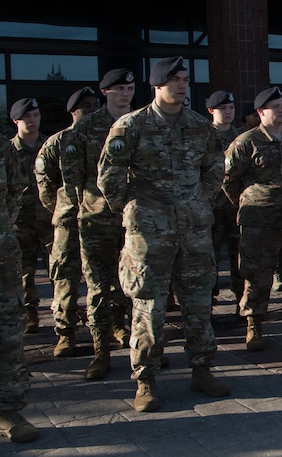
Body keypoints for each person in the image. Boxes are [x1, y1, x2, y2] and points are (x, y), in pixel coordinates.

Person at [98, 56, 230, 412]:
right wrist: (135, 210)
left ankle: (202, 369)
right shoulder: (131, 126)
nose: (183, 85)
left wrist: (198, 202)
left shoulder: (200, 126)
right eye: (175, 80)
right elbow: (109, 178)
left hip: (193, 232)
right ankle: (146, 380)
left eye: (186, 79)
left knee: (199, 304)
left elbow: (215, 170)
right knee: (148, 309)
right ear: (157, 85)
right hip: (149, 235)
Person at [63, 68, 136, 380]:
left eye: (129, 88)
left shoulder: (142, 124)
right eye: (119, 88)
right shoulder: (84, 129)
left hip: (133, 219)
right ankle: (100, 352)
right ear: (105, 92)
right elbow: (71, 179)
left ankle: (137, 346)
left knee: (135, 286)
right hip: (96, 219)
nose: (125, 94)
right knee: (97, 287)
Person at [222, 87, 282, 352]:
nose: (281, 110)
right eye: (275, 107)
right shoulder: (247, 141)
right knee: (257, 275)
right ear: (260, 112)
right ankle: (254, 325)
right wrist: (250, 201)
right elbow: (228, 180)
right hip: (259, 220)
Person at [35, 87, 100, 357]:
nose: (92, 110)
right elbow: (45, 184)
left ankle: (113, 326)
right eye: (86, 106)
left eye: (95, 104)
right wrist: (63, 207)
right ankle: (65, 333)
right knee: (65, 275)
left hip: (97, 219)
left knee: (102, 278)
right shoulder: (57, 142)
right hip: (67, 219)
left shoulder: (105, 138)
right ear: (73, 111)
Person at [0, 130, 37, 443]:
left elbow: (15, 189)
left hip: (2, 251)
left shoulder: (2, 147)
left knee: (8, 329)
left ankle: (7, 409)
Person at [9, 99, 52, 335]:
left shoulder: (49, 146)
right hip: (20, 221)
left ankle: (63, 314)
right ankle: (30, 314)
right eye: (27, 117)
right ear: (16, 121)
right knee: (24, 271)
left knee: (58, 268)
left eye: (36, 115)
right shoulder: (9, 151)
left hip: (48, 218)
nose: (33, 121)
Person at [206, 90, 242, 305]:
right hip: (210, 207)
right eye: (223, 109)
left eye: (231, 108)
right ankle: (208, 301)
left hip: (234, 206)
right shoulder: (203, 136)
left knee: (238, 256)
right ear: (211, 111)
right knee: (209, 258)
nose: (228, 112)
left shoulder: (240, 137)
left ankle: (241, 299)